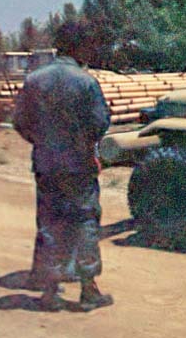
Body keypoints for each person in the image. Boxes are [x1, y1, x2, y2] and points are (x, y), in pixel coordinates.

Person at [13, 21, 113, 312]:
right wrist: (85, 147)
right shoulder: (86, 82)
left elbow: (20, 122)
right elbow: (100, 123)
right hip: (79, 166)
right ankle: (88, 289)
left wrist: (42, 142)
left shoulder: (34, 80)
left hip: (46, 165)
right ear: (79, 48)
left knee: (50, 223)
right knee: (84, 221)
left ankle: (50, 291)